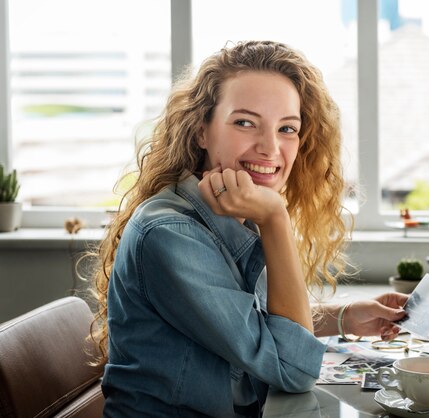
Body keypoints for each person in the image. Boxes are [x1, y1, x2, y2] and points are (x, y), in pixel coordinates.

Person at [90, 40, 408, 418]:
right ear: (200, 132)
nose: (271, 148)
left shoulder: (229, 214)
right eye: (245, 122)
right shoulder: (170, 233)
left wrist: (345, 317)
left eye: (287, 128)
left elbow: (251, 326)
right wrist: (276, 220)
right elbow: (294, 370)